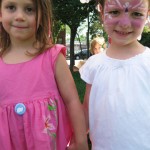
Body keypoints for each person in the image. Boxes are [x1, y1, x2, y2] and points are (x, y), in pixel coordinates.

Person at [0, 0, 89, 150]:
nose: (20, 16)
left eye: (29, 9)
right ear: (0, 13)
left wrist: (81, 141)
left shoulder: (52, 57)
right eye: (11, 7)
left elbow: (72, 100)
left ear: (42, 16)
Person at [79, 0, 150, 149]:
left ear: (147, 15)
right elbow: (86, 109)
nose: (124, 24)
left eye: (136, 13)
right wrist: (77, 139)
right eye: (114, 12)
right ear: (102, 14)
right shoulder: (94, 64)